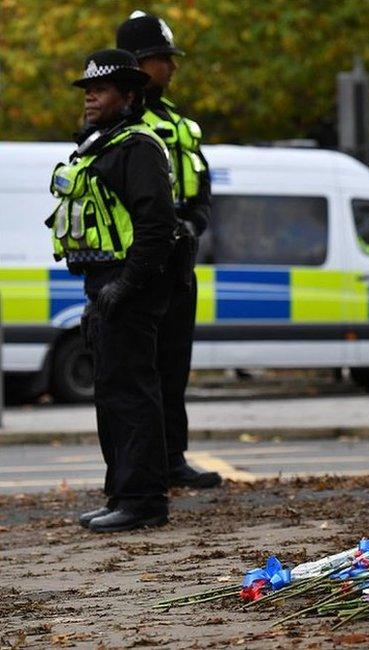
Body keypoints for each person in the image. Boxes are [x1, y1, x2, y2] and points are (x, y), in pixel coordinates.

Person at [49, 49, 176, 532]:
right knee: (111, 394)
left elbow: (157, 226)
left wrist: (125, 286)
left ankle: (144, 501)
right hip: (105, 284)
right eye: (87, 90)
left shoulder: (138, 147)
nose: (90, 98)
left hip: (130, 285)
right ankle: (123, 493)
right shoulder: (103, 145)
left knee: (133, 394)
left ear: (129, 95)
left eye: (99, 90)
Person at [117, 11, 220, 489]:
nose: (172, 68)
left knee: (175, 364)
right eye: (164, 59)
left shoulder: (177, 121)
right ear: (140, 63)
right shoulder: (123, 119)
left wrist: (194, 219)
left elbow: (200, 181)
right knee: (144, 372)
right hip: (144, 258)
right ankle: (146, 470)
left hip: (180, 258)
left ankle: (172, 458)